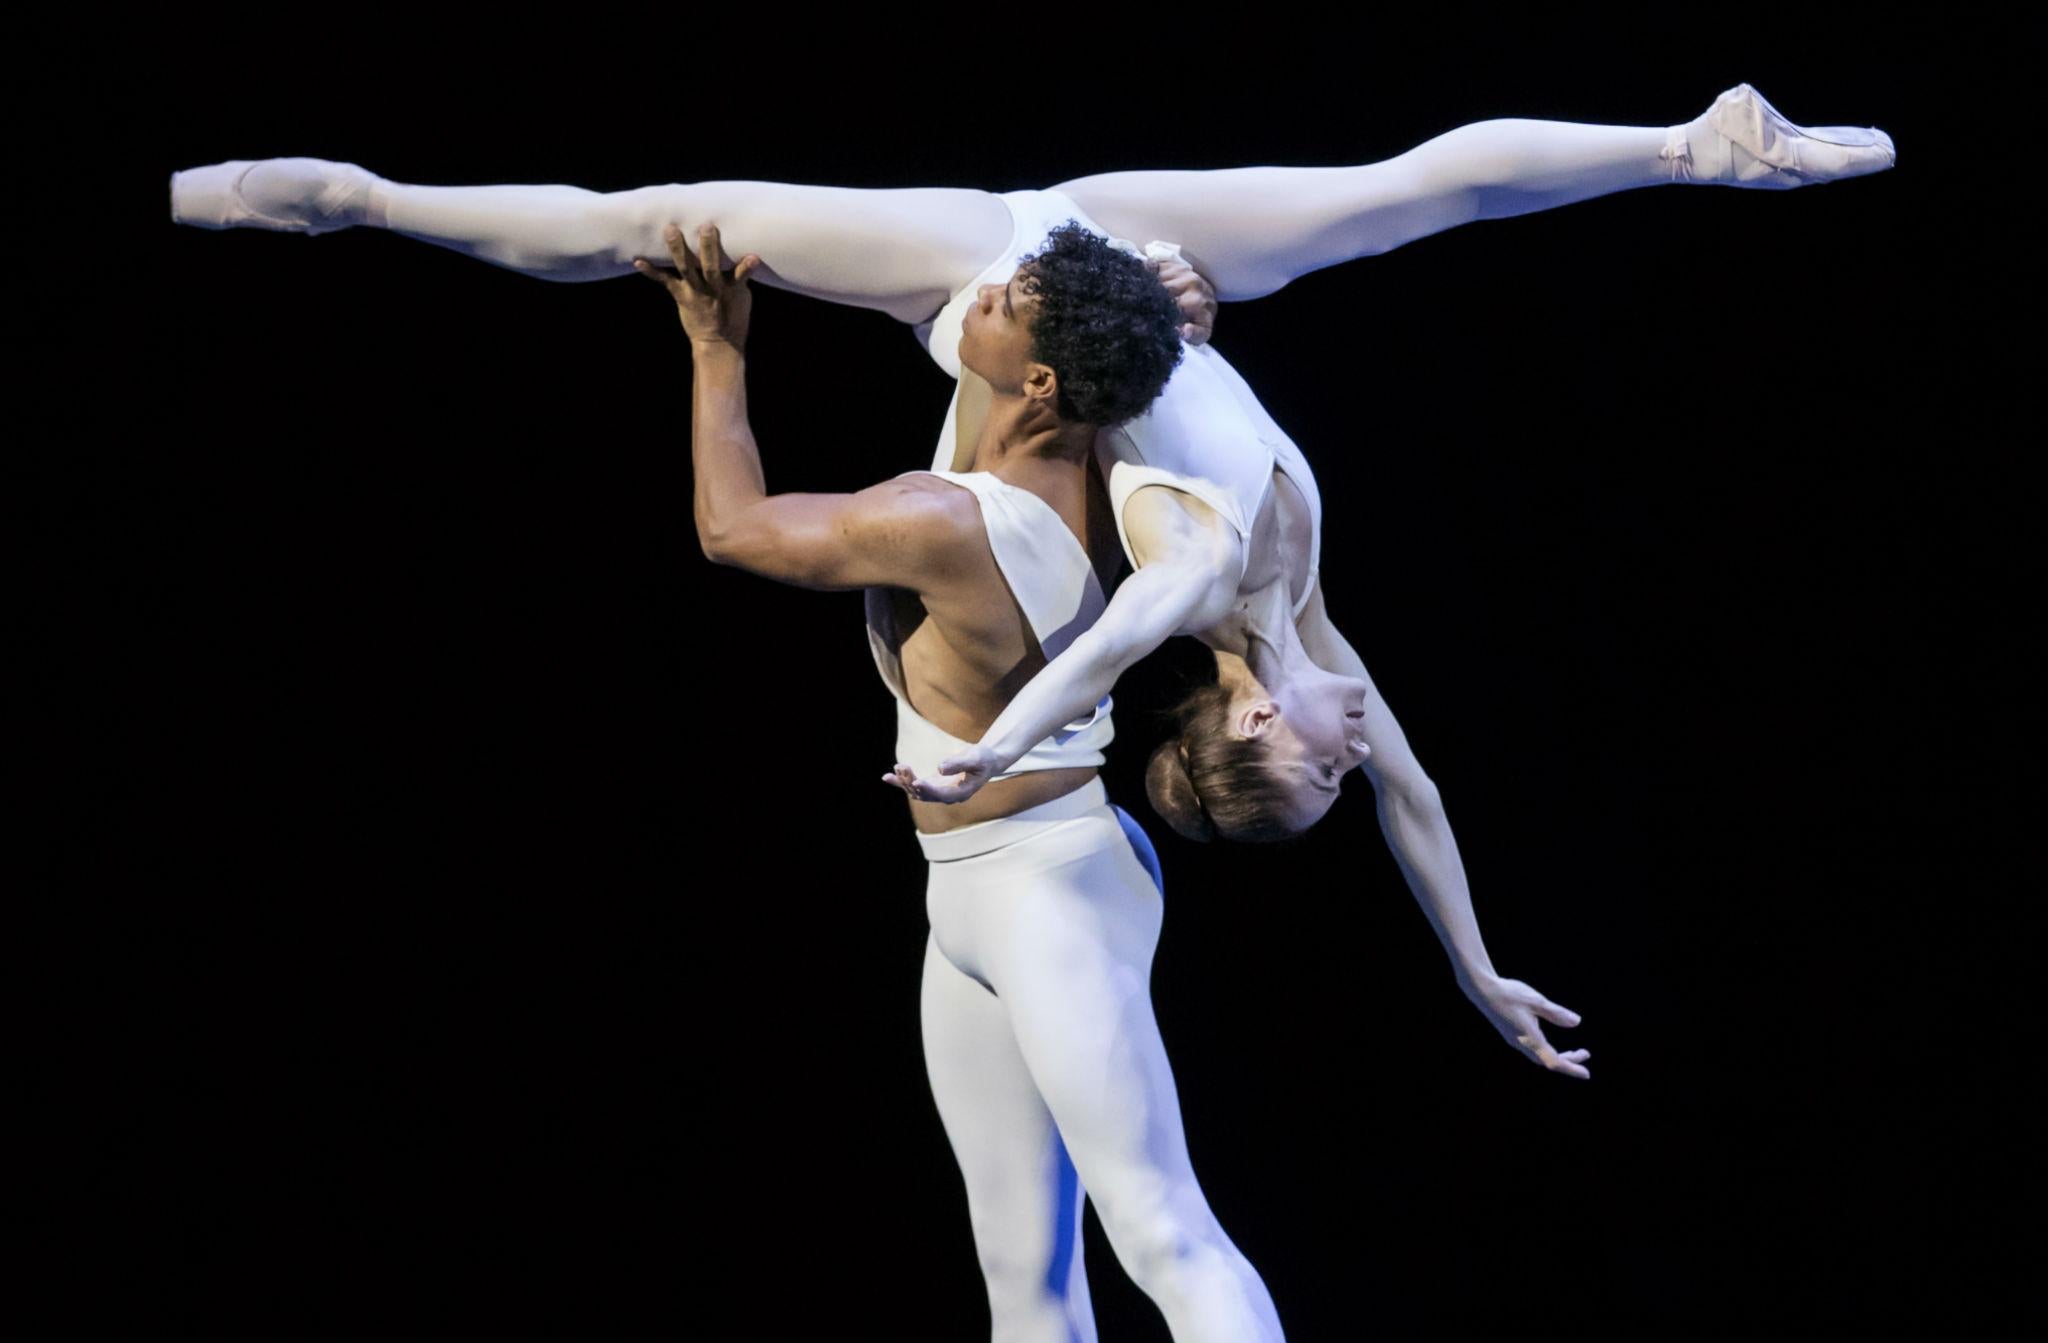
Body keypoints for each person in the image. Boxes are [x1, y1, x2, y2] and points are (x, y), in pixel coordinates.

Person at [168, 81, 1895, 857]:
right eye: (1332, 769)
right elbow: (1420, 812)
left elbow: (1087, 664)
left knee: (653, 230)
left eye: (1305, 771)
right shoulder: (1323, 649)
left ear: (1244, 724)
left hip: (1000, 285)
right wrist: (1482, 975)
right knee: (1398, 195)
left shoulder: (1192, 593)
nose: (1347, 751)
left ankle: (352, 200)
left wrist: (976, 757)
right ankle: (1701, 146)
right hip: (1142, 269)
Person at [633, 211, 1399, 1343]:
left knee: (1161, 1230)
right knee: (1023, 1268)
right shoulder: (1074, 454)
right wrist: (1160, 300)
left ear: (1043, 381)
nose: (974, 295)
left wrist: (716, 347)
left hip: (1046, 885)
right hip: (975, 892)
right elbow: (1089, 372)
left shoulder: (947, 514)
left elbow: (731, 532)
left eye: (1006, 302)